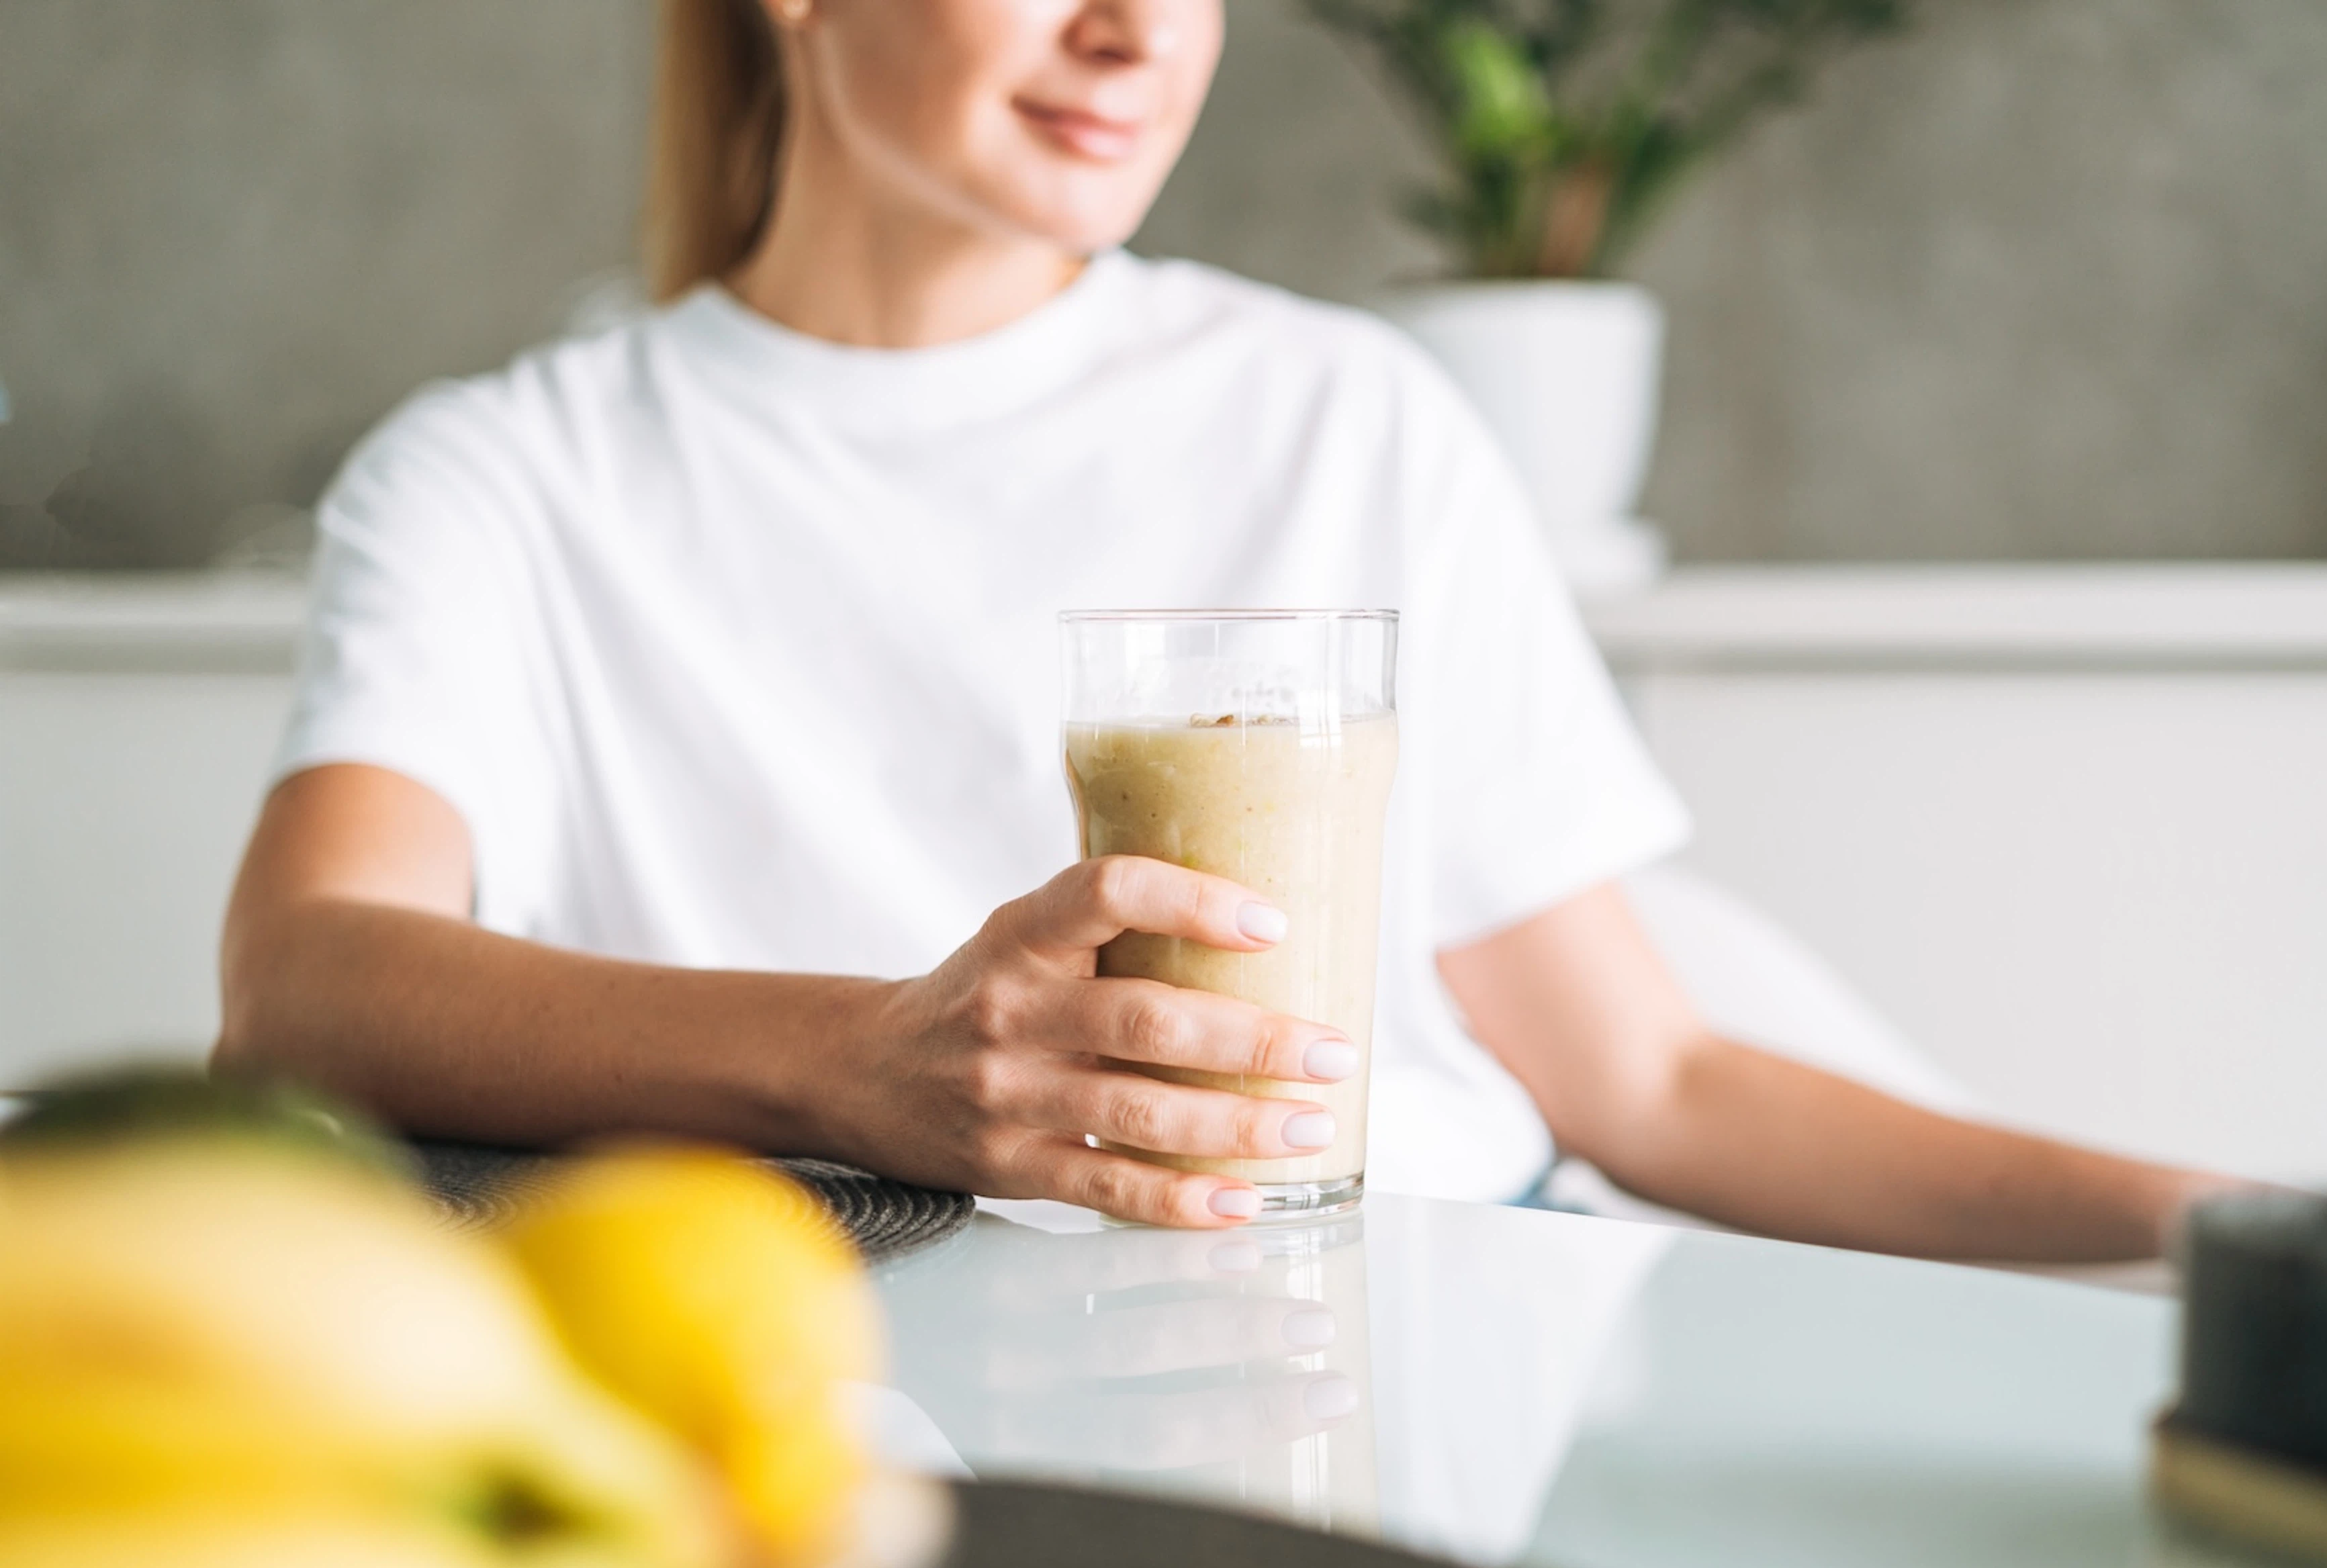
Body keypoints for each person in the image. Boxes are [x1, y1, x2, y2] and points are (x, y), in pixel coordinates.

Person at [218, 0, 2226, 1254]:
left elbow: (1658, 1086)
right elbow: (303, 985)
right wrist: (878, 1066)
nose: (1136, 28)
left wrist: (2210, 1225)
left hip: (1399, 1318)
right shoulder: (507, 476)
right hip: (850, 1370)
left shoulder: (1341, 417)